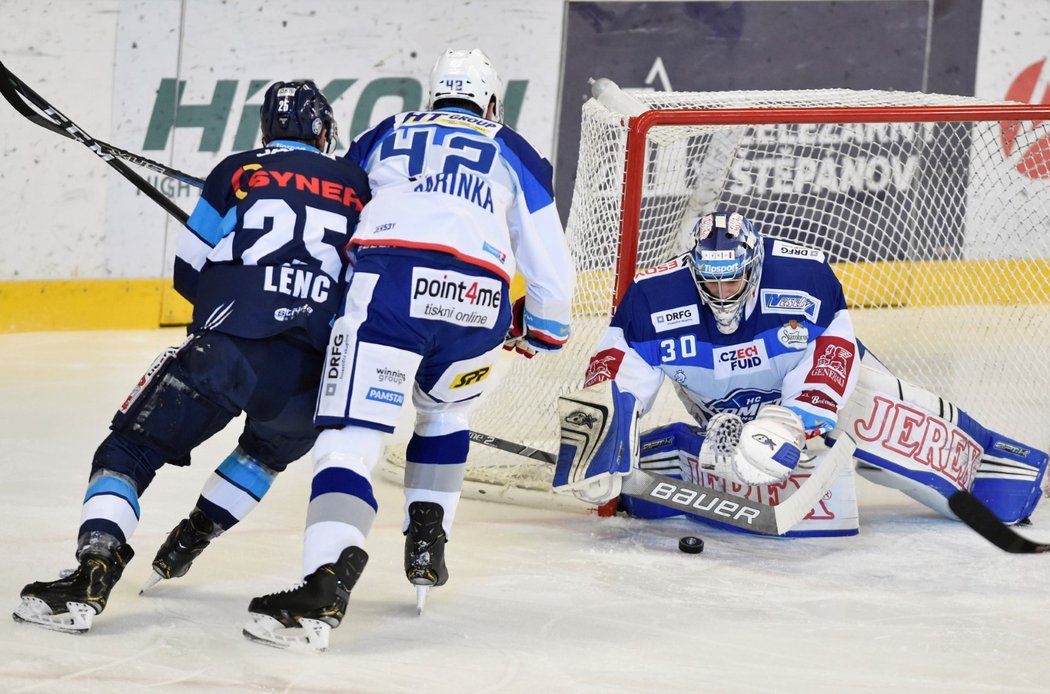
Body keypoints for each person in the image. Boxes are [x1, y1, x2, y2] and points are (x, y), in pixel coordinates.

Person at [241, 48, 574, 651]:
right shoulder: (516, 148)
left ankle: (325, 584)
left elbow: (332, 203)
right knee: (446, 412)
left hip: (390, 286)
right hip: (480, 299)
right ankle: (429, 535)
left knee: (352, 434)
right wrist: (545, 326)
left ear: (435, 94)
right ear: (490, 102)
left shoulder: (387, 132)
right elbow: (547, 255)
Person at [12, 80, 371, 633]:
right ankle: (193, 536)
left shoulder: (237, 172)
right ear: (323, 130)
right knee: (262, 457)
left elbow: (188, 271)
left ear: (266, 129)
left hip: (228, 351)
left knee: (128, 448)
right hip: (314, 372)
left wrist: (242, 289)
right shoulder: (358, 182)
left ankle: (94, 569)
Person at [554, 209, 1048, 538]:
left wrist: (796, 419)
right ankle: (680, 452)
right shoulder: (652, 297)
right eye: (712, 280)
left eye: (734, 278)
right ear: (693, 269)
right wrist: (600, 444)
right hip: (725, 415)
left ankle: (995, 467)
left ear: (755, 261)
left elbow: (835, 350)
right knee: (742, 462)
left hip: (822, 398)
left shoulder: (803, 276)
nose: (723, 291)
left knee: (882, 430)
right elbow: (615, 371)